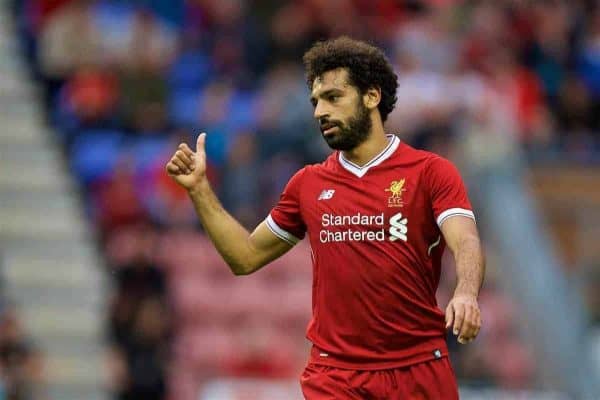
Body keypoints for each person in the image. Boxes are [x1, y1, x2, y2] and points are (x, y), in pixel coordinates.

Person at [165, 36, 485, 399]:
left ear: (371, 96)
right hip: (335, 376)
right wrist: (199, 190)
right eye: (316, 101)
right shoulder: (308, 184)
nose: (319, 111)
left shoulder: (430, 172)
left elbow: (466, 240)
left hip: (417, 368)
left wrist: (466, 293)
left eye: (333, 98)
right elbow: (245, 256)